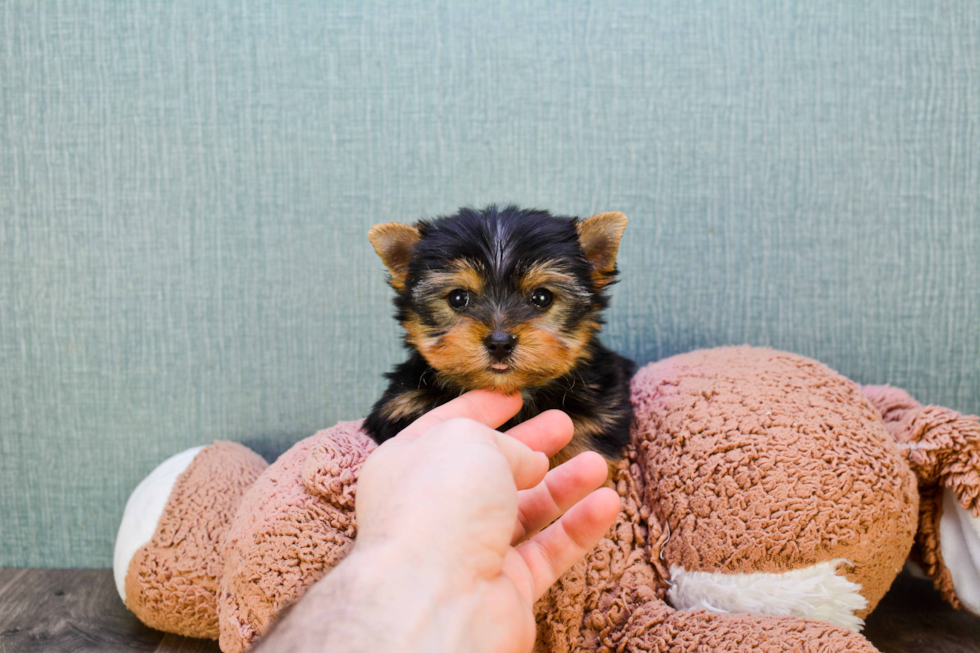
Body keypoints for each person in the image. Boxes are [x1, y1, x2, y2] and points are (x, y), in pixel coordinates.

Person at [253, 390, 622, 653]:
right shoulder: (406, 412)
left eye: (540, 299)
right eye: (459, 299)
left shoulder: (601, 402)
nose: (500, 333)